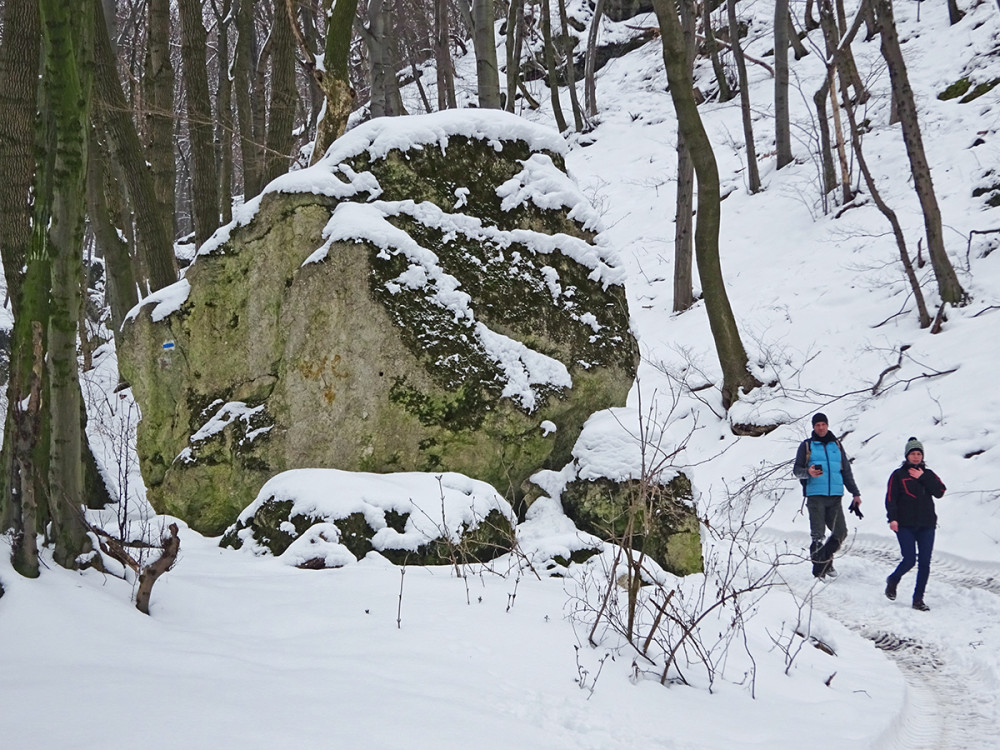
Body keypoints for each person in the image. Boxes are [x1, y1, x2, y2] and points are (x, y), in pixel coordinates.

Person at [792, 413, 863, 579]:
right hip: (815, 496)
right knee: (818, 536)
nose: (821, 427)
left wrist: (855, 493)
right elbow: (796, 471)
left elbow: (846, 471)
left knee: (841, 532)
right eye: (817, 425)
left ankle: (824, 562)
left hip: (835, 497)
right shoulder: (807, 446)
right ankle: (819, 573)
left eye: (823, 424)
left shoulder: (836, 445)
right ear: (813, 427)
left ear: (828, 425)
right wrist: (808, 472)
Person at [884, 437, 946, 611]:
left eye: (919, 454)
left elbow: (940, 492)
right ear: (907, 455)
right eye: (913, 454)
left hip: (927, 524)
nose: (916, 457)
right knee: (910, 559)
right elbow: (891, 498)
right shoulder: (898, 475)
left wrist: (924, 477)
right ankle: (893, 579)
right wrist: (893, 518)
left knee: (925, 562)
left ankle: (918, 599)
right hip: (905, 524)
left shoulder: (929, 474)